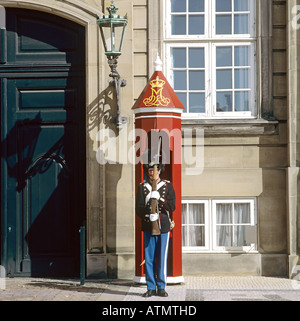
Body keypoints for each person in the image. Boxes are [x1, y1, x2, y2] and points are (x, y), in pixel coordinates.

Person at [136, 161, 175, 298]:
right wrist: (148, 207)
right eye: (150, 170)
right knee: (149, 258)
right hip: (149, 225)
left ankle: (161, 286)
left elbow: (172, 206)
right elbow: (138, 208)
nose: (152, 172)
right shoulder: (143, 187)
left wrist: (161, 199)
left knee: (162, 258)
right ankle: (151, 287)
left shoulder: (167, 185)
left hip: (163, 225)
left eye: (154, 170)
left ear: (159, 171)